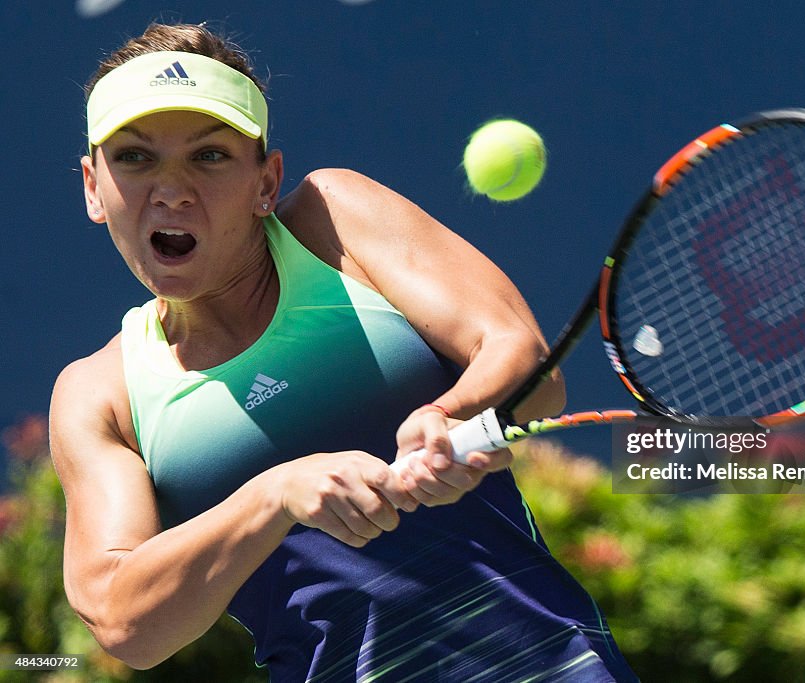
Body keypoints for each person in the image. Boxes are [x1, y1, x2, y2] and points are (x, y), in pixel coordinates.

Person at [50, 22, 638, 682]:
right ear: (93, 186)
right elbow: (123, 618)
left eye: (210, 156)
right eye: (135, 157)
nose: (172, 189)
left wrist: (454, 413)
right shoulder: (98, 393)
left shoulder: (335, 221)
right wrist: (273, 496)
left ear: (265, 182)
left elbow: (522, 358)